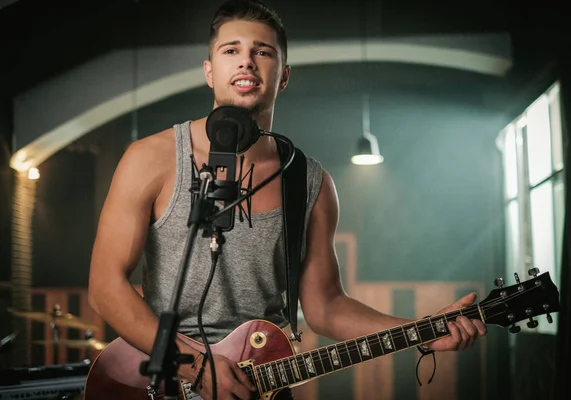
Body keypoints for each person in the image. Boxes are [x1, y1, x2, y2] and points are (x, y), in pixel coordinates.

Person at [88, 0, 487, 399]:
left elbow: (325, 305)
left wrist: (420, 331)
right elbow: (105, 286)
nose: (246, 62)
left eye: (262, 52)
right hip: (167, 382)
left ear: (283, 76)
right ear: (210, 71)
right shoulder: (150, 158)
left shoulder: (310, 182)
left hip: (263, 382)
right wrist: (195, 366)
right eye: (231, 51)